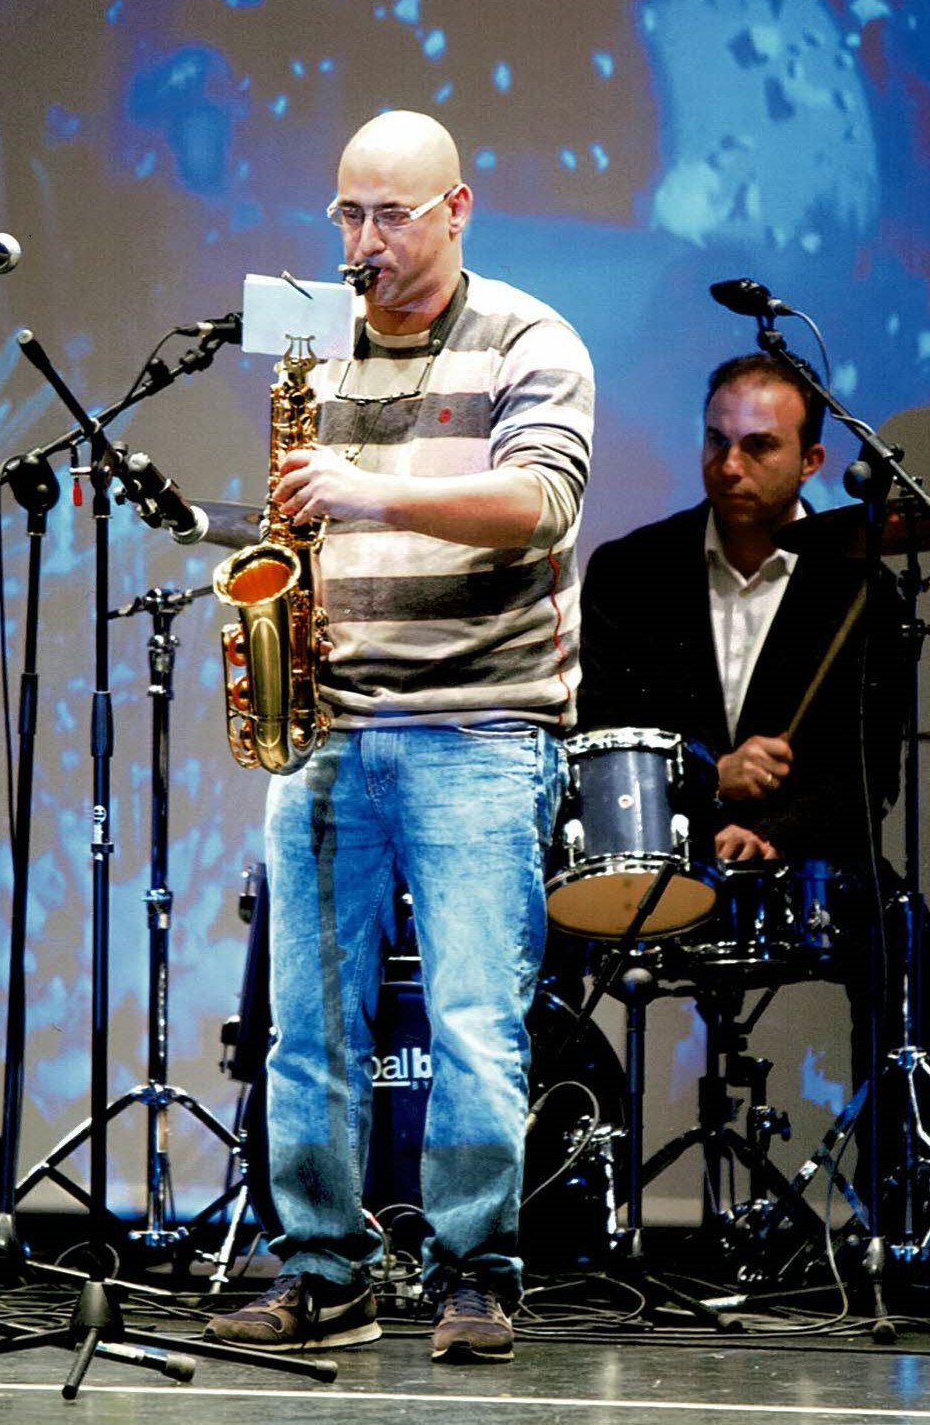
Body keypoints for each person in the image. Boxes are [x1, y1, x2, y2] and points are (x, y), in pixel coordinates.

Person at [206, 110, 593, 1362]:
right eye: (347, 213)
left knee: (478, 1021)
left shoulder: (531, 335)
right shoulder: (309, 325)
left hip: (478, 725)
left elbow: (539, 507)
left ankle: (475, 1271)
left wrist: (371, 487)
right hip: (327, 720)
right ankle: (323, 1267)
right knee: (306, 1027)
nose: (363, 243)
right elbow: (292, 495)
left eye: (391, 215)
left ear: (458, 208)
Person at [575, 352, 930, 1225]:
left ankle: (897, 1216)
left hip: (802, 860)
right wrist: (710, 777)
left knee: (904, 934)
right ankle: (566, 1208)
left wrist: (774, 828)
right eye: (715, 441)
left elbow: (869, 772)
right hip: (660, 857)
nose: (727, 465)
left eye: (756, 446)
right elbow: (598, 733)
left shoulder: (865, 591)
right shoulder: (630, 569)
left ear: (811, 461)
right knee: (537, 939)